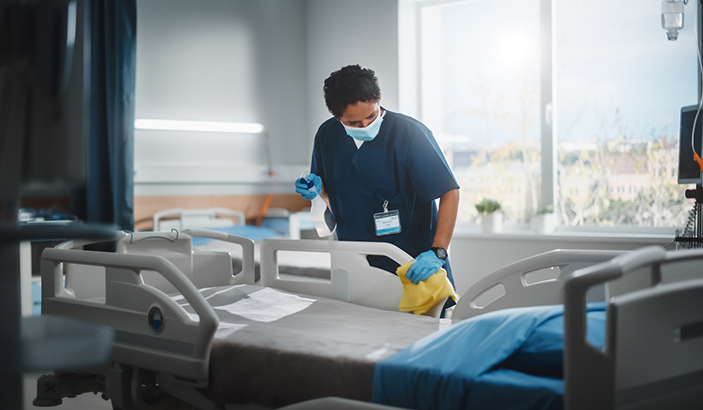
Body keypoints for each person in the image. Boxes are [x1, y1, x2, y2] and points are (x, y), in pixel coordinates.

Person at [295, 64, 460, 311]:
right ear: (336, 116)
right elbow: (333, 197)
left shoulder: (410, 134)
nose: (365, 126)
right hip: (357, 262)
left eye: (371, 116)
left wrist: (438, 252)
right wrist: (316, 191)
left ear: (378, 100)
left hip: (412, 262)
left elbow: (449, 191)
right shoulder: (327, 136)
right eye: (353, 122)